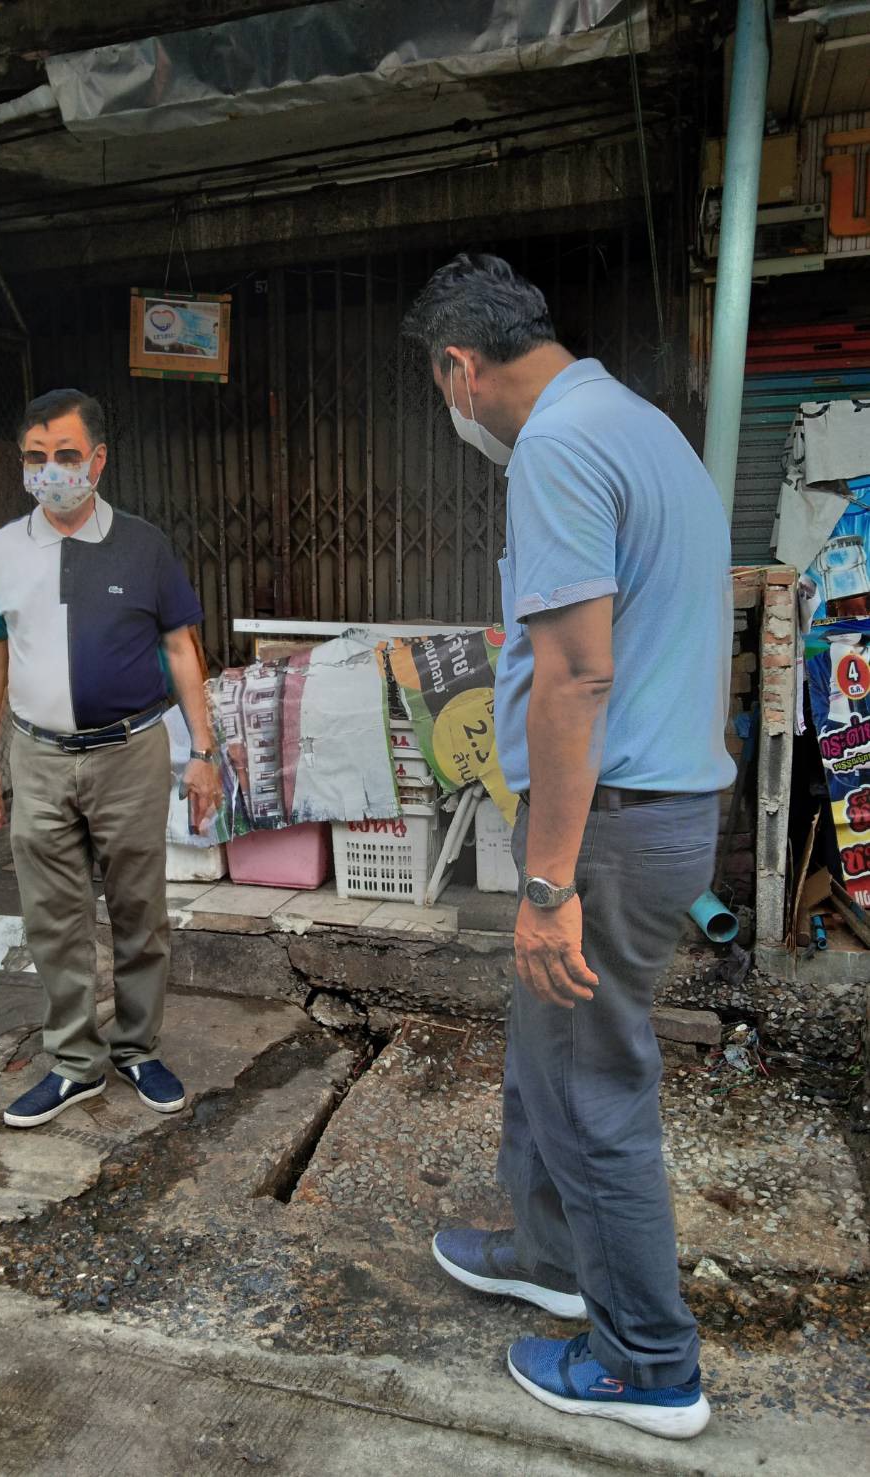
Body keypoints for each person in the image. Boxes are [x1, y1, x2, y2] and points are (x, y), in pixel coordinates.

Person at [402, 255, 734, 1441]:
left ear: (460, 367)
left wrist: (545, 884)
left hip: (609, 824)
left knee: (592, 1088)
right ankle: (549, 1256)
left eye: (441, 386)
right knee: (544, 1057)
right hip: (649, 810)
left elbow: (577, 674)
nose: (451, 408)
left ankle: (648, 1363)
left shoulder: (555, 444)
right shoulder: (637, 425)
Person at [0, 388, 222, 1130]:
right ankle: (75, 1063)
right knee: (53, 919)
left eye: (67, 455)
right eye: (36, 457)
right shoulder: (3, 551)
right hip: (38, 758)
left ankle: (138, 1048)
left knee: (140, 912)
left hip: (130, 753)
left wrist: (204, 751)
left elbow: (182, 648)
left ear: (99, 460)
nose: (51, 471)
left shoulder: (144, 546)